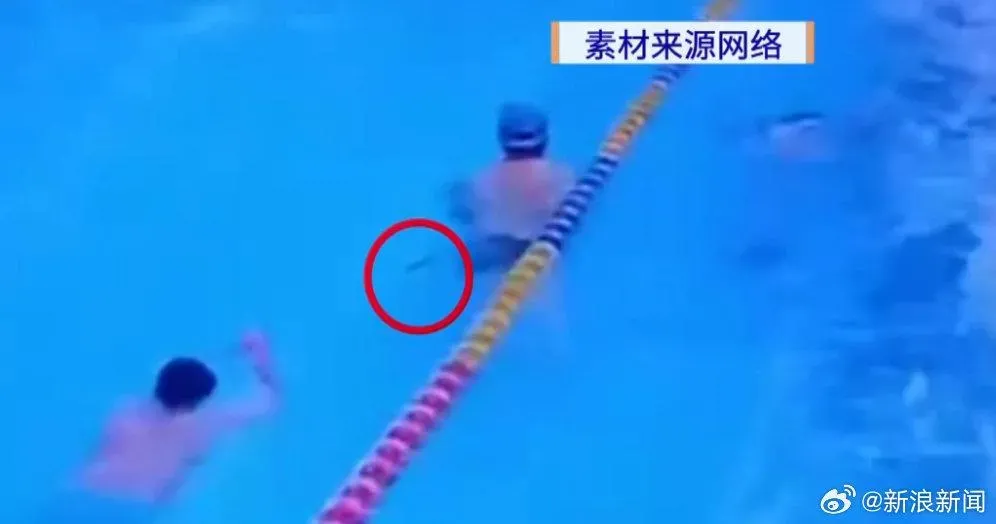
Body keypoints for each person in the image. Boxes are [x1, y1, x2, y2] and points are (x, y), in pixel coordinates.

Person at [38, 330, 281, 523]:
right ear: (197, 402)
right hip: (129, 509)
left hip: (80, 494)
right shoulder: (205, 426)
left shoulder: (125, 411)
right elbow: (271, 402)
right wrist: (261, 355)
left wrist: (229, 351)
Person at [449, 102, 574, 272]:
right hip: (533, 255)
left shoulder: (481, 180)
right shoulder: (561, 176)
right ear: (546, 140)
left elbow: (464, 216)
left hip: (484, 253)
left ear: (501, 141)